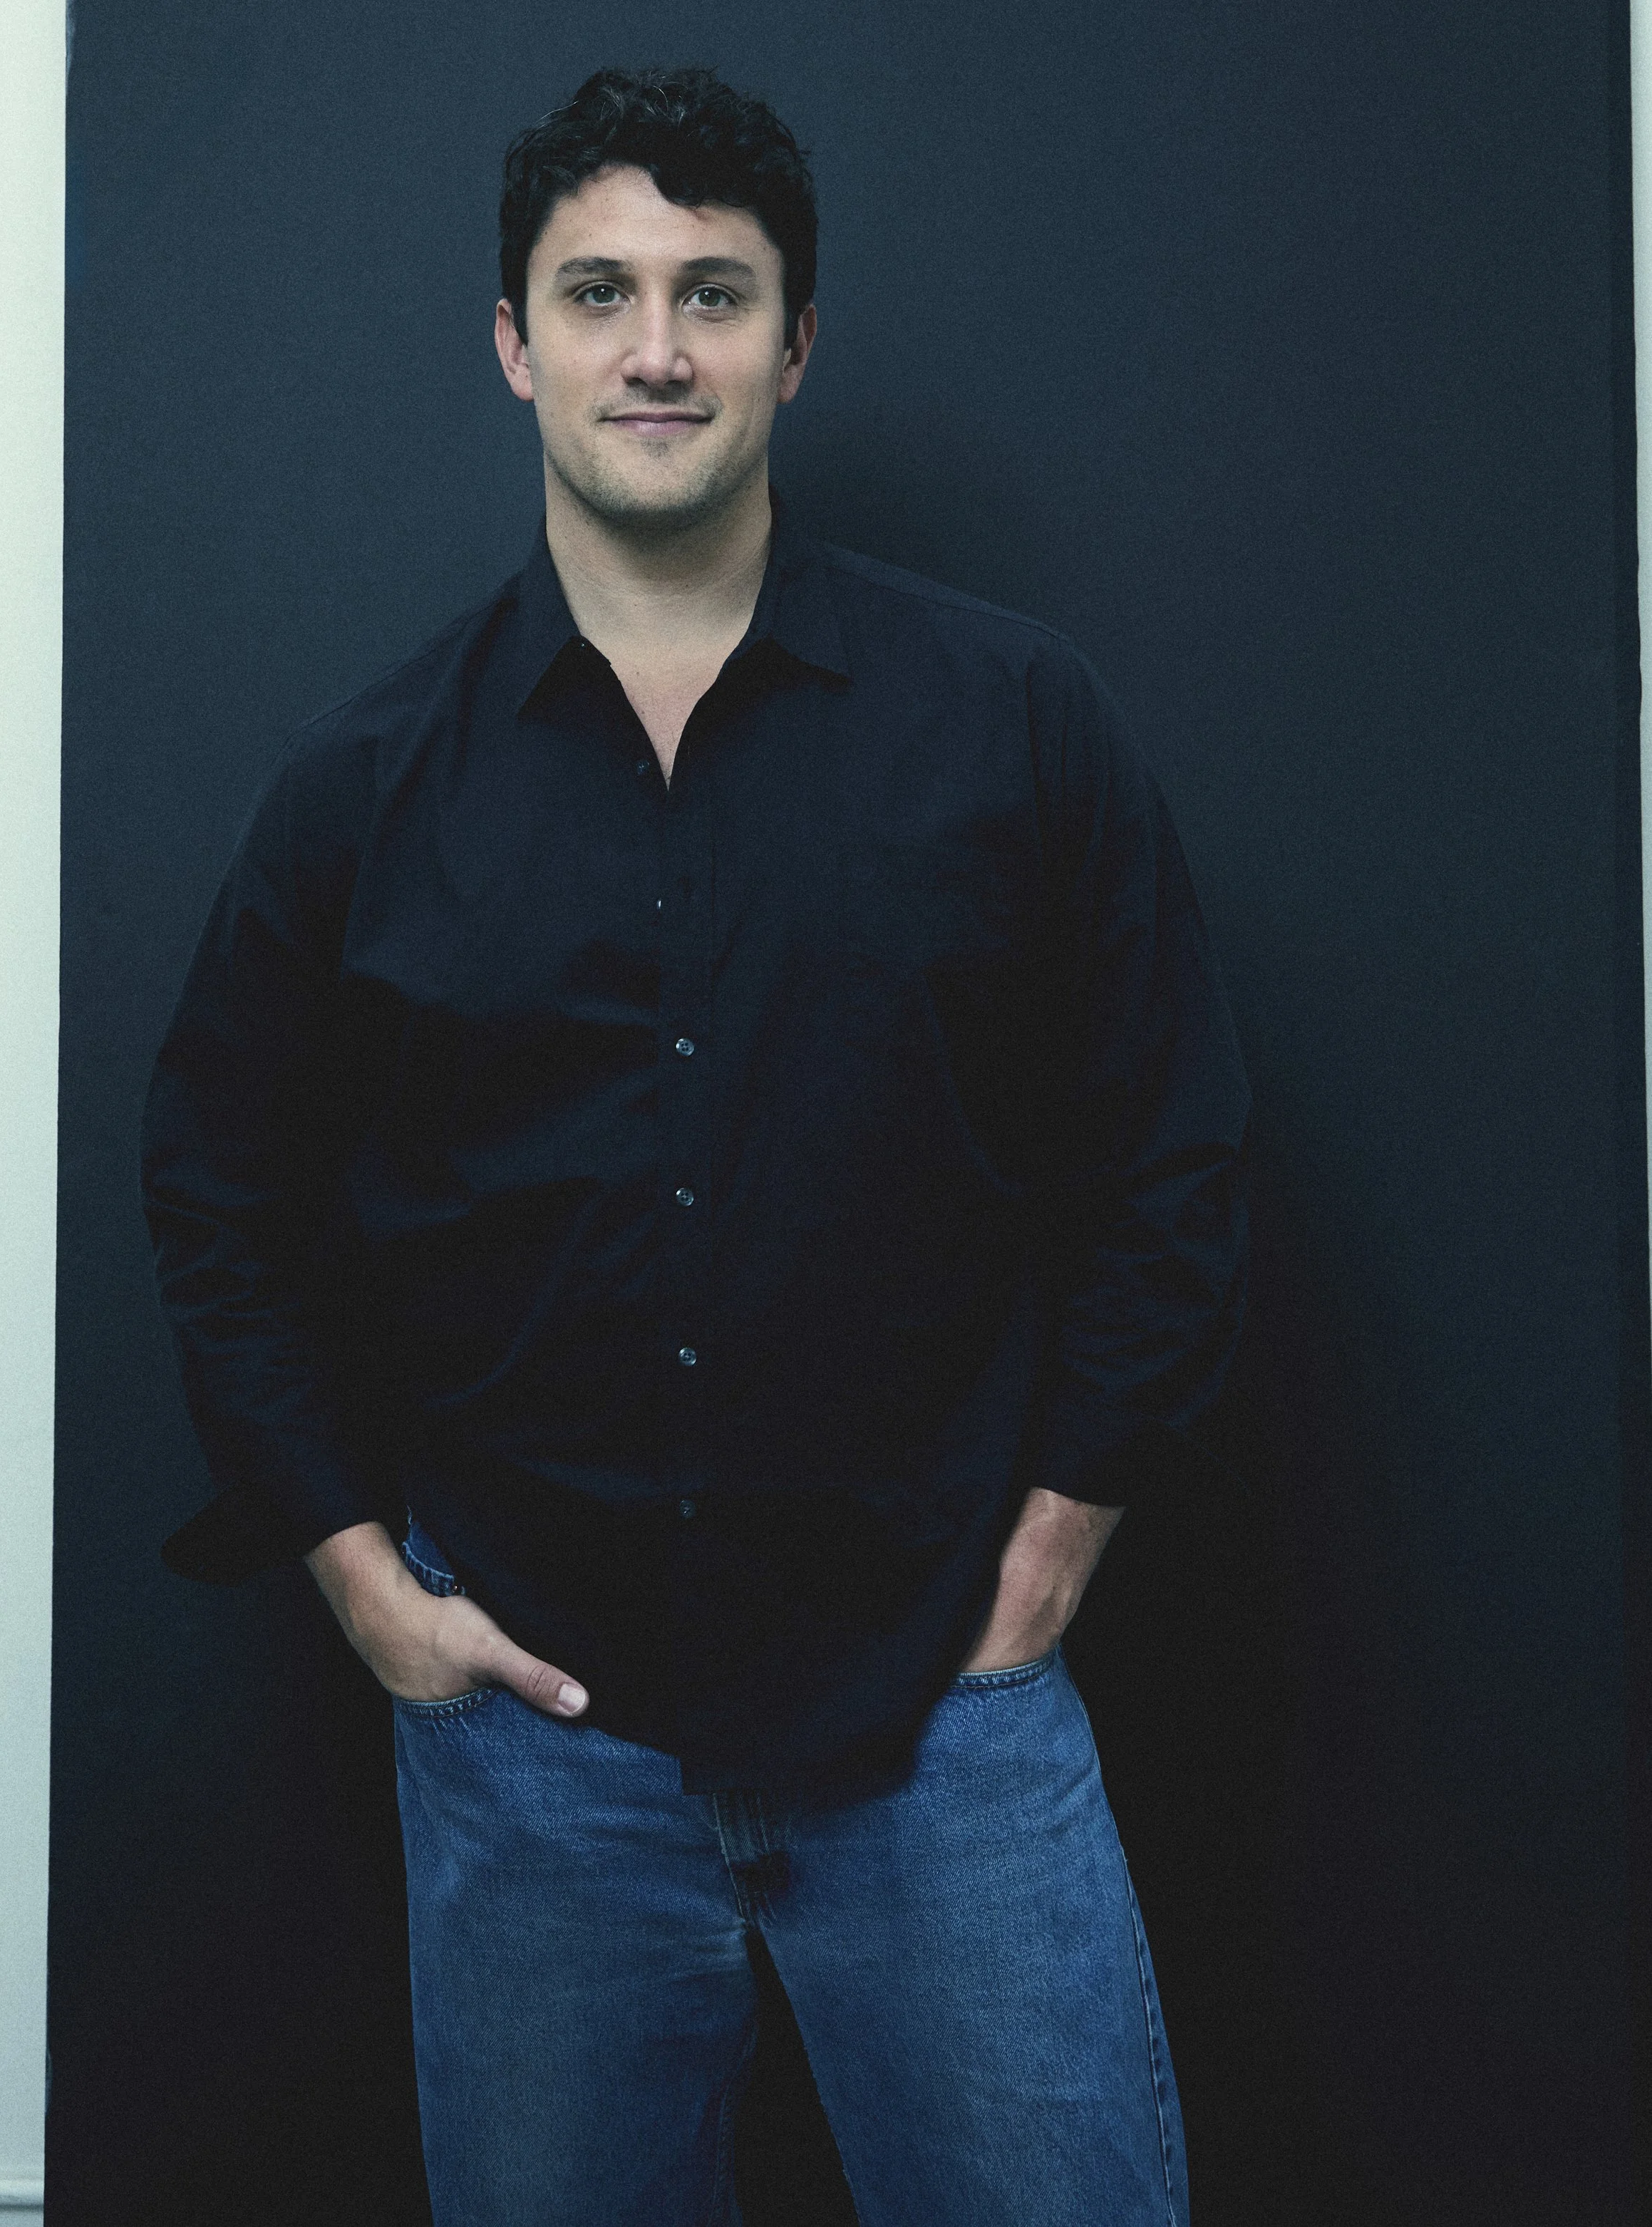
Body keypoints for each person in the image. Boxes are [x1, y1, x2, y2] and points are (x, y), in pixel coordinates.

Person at [142, 63, 1248, 2227]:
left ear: (793, 342)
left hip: (942, 1722)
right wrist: (363, 1579)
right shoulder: (366, 782)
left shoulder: (1013, 724)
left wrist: (1057, 1533)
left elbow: (1171, 1141)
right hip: (533, 1746)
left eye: (713, 294)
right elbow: (220, 1182)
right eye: (600, 291)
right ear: (512, 340)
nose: (656, 346)